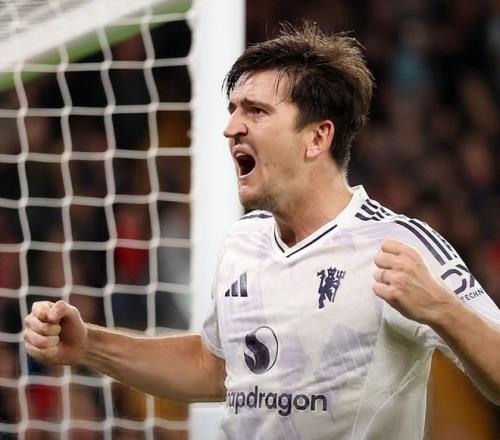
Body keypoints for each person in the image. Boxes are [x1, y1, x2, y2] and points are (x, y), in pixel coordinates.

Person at [24, 23, 500, 440]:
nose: (231, 127)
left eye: (255, 111)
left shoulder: (396, 245)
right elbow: (213, 368)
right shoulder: (243, 241)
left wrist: (442, 310)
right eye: (233, 109)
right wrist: (90, 345)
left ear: (318, 137)